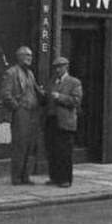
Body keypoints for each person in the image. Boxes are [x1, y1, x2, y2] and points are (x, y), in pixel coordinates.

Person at [0, 46, 47, 186]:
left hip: (33, 112)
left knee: (30, 145)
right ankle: (17, 177)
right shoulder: (11, 72)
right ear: (19, 57)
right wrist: (17, 108)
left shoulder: (30, 74)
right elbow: (5, 94)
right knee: (20, 145)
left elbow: (36, 90)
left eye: (31, 56)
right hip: (21, 112)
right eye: (26, 55)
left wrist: (44, 94)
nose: (29, 58)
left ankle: (25, 176)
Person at [44, 56, 83, 187]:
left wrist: (59, 97)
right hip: (52, 120)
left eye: (60, 67)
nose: (57, 70)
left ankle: (65, 179)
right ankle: (54, 177)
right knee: (52, 150)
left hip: (65, 122)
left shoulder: (74, 82)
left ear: (66, 67)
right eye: (56, 67)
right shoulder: (52, 82)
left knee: (64, 152)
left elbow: (76, 101)